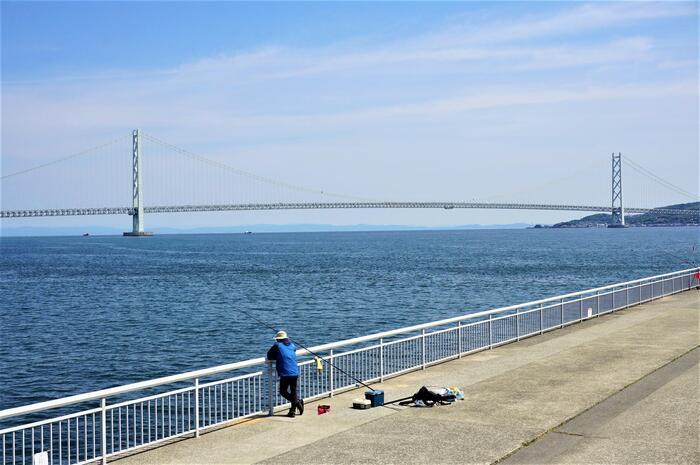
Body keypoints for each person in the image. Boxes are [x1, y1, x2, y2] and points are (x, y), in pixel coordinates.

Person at [267, 330, 304, 417]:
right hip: (294, 371)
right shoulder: (292, 345)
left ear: (278, 339)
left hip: (285, 372)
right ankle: (292, 411)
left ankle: (297, 403)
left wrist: (277, 356)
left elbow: (269, 355)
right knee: (293, 391)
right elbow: (292, 351)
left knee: (283, 391)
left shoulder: (277, 345)